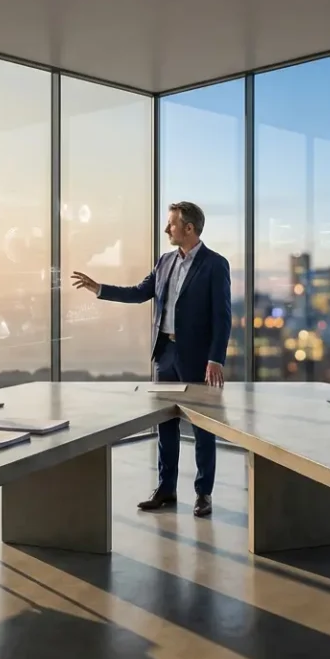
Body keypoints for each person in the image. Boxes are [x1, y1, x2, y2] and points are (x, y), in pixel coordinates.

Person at [70, 201, 231, 517]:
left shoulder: (215, 264)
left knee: (203, 429)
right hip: (164, 355)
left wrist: (216, 358)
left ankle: (203, 494)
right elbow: (138, 292)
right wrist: (98, 288)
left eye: (171, 224)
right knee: (165, 425)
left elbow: (223, 317)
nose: (166, 229)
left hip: (197, 359)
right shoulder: (165, 262)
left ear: (188, 228)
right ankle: (166, 489)